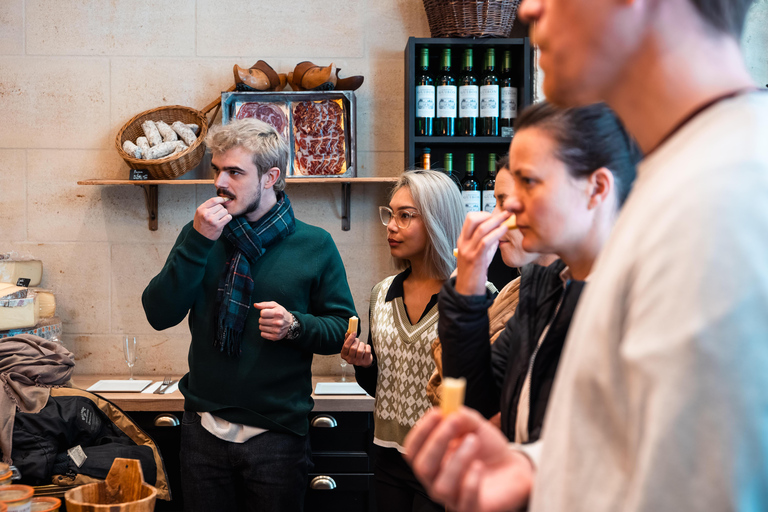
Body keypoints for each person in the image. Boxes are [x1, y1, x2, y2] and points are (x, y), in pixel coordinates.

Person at [404, 0, 768, 510]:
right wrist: (532, 466)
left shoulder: (725, 196)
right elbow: (643, 442)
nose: (529, 8)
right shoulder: (679, 179)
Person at [142, 118, 357, 512]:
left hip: (278, 436)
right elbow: (158, 313)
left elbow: (343, 329)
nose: (220, 182)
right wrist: (197, 241)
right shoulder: (201, 234)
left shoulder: (315, 244)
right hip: (202, 430)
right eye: (217, 170)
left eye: (235, 172)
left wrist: (296, 325)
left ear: (270, 177)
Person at [441, 101, 638, 443]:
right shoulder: (545, 284)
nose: (512, 206)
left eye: (528, 182)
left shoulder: (637, 295)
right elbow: (479, 403)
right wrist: (468, 288)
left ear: (597, 188)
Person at [339, 170, 469, 512]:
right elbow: (382, 385)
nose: (391, 226)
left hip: (443, 462)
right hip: (387, 457)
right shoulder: (381, 293)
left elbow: (479, 390)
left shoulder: (475, 296)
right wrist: (364, 364)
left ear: (438, 221)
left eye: (405, 216)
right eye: (390, 214)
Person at [425, 154, 558, 409]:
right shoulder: (521, 288)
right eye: (497, 202)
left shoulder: (585, 294)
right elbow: (463, 391)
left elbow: (463, 396)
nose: (493, 217)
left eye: (504, 202)